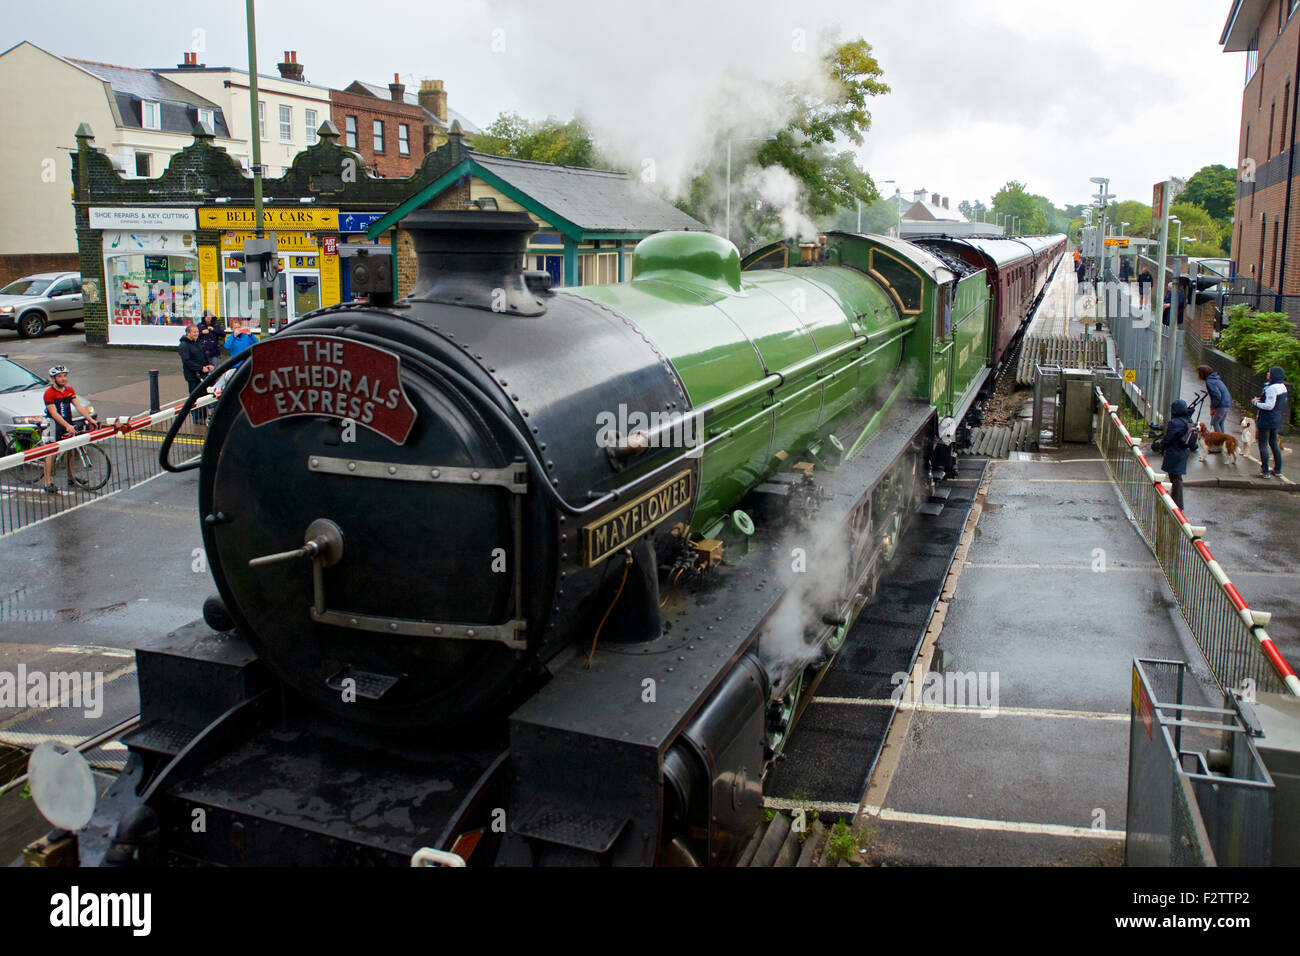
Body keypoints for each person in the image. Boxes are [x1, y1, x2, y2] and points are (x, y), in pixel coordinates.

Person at [41, 365, 98, 494]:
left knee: (70, 449)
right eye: (60, 376)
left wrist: (90, 419)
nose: (63, 379)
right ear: (54, 378)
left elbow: (78, 406)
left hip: (68, 422)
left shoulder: (69, 390)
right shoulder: (49, 393)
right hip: (54, 424)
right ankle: (47, 482)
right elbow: (54, 413)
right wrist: (66, 426)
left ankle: (71, 477)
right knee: (52, 452)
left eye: (65, 376)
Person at [1152, 399, 1198, 510]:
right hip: (1183, 452)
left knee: (1175, 478)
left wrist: (1160, 446)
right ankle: (1176, 502)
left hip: (1174, 453)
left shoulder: (1175, 423)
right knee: (1177, 477)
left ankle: (1177, 505)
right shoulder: (1188, 420)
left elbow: (1168, 438)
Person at [1252, 365, 1288, 478]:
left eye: (1269, 372)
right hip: (1276, 418)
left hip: (1267, 419)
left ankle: (1265, 471)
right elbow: (1280, 402)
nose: (1268, 374)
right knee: (1273, 443)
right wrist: (1261, 399)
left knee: (1263, 444)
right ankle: (1277, 470)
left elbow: (1269, 406)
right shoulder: (1282, 387)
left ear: (1274, 375)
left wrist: (1255, 403)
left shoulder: (1272, 388)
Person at [179, 323, 213, 425]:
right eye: (194, 332)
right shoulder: (183, 346)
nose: (196, 334)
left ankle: (203, 417)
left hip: (202, 375)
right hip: (193, 376)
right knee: (195, 398)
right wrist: (200, 368)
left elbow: (203, 355)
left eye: (197, 332)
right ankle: (197, 419)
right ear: (188, 333)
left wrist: (208, 365)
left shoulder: (198, 342)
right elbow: (187, 361)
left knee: (204, 397)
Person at [1196, 365, 1233, 434]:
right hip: (1227, 402)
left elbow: (1217, 396)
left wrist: (1213, 407)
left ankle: (1220, 440)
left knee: (1214, 422)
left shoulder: (1210, 382)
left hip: (1222, 404)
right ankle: (1223, 441)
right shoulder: (1215, 379)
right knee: (1220, 422)